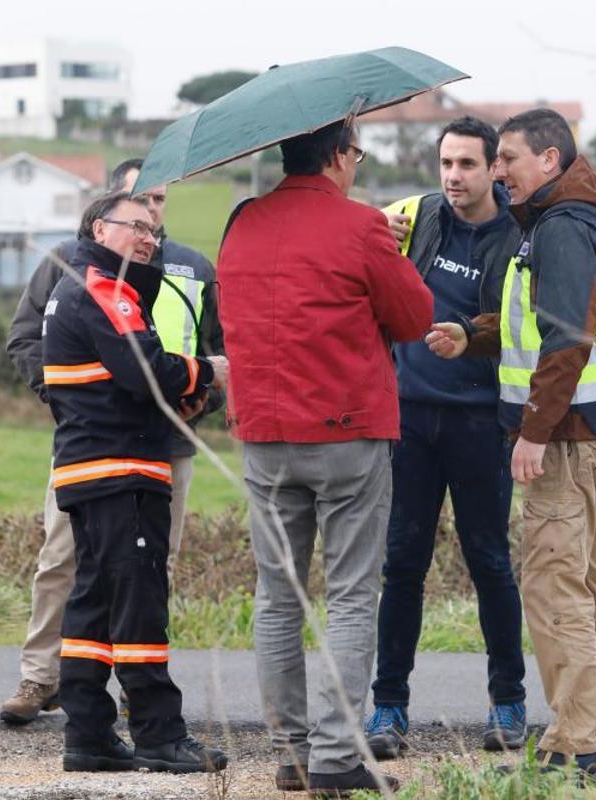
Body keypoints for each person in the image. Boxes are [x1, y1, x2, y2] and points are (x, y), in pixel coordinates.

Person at [218, 120, 433, 796]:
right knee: (350, 595)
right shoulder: (362, 226)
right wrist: (393, 255)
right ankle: (339, 756)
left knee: (278, 596)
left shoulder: (242, 224)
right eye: (357, 154)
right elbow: (414, 318)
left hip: (265, 434)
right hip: (347, 431)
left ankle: (290, 750)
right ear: (339, 156)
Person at [425, 108, 596, 782]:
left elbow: (567, 339)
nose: (497, 171)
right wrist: (474, 334)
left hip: (566, 440)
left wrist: (533, 435)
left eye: (508, 158)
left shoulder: (563, 230)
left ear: (549, 159)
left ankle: (575, 744)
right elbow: (539, 323)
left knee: (555, 590)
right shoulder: (569, 221)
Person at [1, 158, 223, 724]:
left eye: (158, 205)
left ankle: (129, 688)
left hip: (169, 442)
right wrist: (69, 399)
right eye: (139, 205)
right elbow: (26, 338)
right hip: (92, 440)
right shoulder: (69, 268)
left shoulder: (194, 269)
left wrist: (203, 401)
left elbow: (219, 350)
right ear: (106, 213)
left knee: (149, 568)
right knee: (62, 561)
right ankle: (39, 679)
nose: (150, 217)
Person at [363, 116, 527, 759]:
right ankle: (389, 710)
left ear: (493, 169)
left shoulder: (519, 234)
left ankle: (508, 702)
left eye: (467, 165)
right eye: (446, 164)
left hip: (481, 421)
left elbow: (530, 323)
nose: (454, 177)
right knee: (401, 565)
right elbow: (363, 234)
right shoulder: (423, 214)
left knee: (490, 564)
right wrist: (379, 232)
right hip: (408, 418)